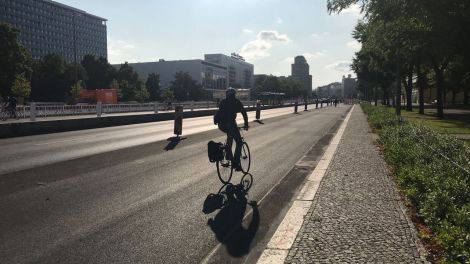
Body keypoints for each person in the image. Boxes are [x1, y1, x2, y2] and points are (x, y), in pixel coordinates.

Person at [216, 88, 249, 171]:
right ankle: (236, 163)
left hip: (221, 125)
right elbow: (244, 113)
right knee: (239, 142)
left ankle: (228, 155)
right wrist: (246, 124)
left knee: (230, 136)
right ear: (234, 94)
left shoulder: (223, 101)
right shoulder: (236, 102)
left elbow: (220, 111)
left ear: (226, 94)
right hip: (230, 123)